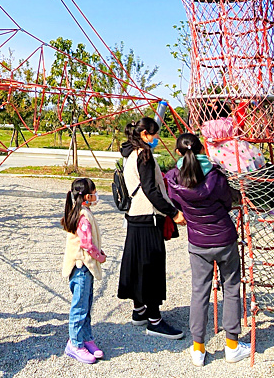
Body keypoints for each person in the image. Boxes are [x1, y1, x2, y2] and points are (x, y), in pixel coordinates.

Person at [164, 132, 251, 365]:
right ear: (202, 150)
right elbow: (227, 202)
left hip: (198, 243)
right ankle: (232, 346)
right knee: (231, 289)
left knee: (199, 293)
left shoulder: (173, 179)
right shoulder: (216, 176)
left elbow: (175, 203)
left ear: (178, 153)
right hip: (224, 239)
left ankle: (198, 349)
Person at [117, 116, 185, 339]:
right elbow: (150, 189)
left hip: (135, 216)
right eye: (154, 134)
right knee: (152, 267)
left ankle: (139, 310)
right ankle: (154, 319)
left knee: (138, 264)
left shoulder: (129, 153)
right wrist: (173, 212)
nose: (157, 138)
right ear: (145, 134)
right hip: (148, 216)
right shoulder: (144, 154)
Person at [61, 177, 107, 364]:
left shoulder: (82, 212)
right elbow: (86, 243)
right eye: (94, 193)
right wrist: (99, 256)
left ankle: (86, 338)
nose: (96, 196)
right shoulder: (82, 216)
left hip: (85, 268)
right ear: (87, 196)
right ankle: (75, 343)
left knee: (86, 305)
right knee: (79, 307)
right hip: (81, 266)